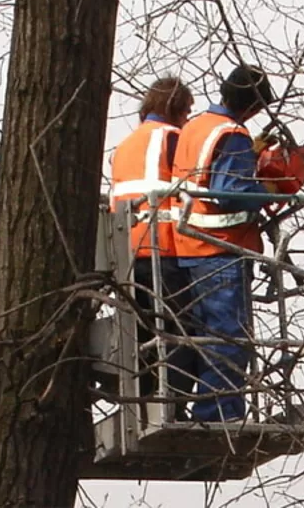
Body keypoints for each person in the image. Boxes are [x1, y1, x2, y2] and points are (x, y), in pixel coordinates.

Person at [171, 64, 282, 423]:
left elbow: (204, 176)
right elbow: (230, 194)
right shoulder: (232, 134)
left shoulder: (197, 126)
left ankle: (210, 409)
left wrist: (251, 153)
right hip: (221, 248)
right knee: (230, 336)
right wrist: (268, 189)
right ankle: (219, 413)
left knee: (205, 336)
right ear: (253, 104)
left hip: (191, 248)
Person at [111, 76, 197, 422]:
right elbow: (202, 181)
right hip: (166, 248)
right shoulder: (173, 139)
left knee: (144, 337)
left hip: (129, 253)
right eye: (187, 111)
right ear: (174, 108)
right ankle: (172, 409)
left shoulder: (124, 147)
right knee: (181, 332)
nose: (188, 119)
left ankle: (146, 411)